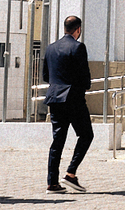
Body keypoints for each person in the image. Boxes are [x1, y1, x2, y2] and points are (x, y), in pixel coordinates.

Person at [43, 15, 94, 194]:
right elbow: (84, 75)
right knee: (86, 135)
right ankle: (70, 174)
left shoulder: (50, 48)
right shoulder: (79, 47)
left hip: (55, 98)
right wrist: (84, 86)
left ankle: (52, 183)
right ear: (78, 29)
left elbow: (45, 76)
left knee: (57, 141)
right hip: (73, 99)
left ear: (65, 28)